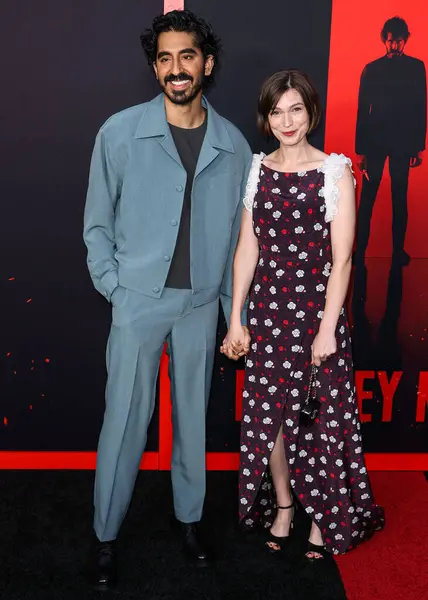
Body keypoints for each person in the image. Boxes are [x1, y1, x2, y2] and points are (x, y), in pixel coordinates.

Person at [83, 9, 252, 589]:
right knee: (124, 419)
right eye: (164, 58)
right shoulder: (119, 132)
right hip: (138, 300)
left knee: (192, 425)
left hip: (202, 304)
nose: (175, 69)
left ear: (206, 62)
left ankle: (189, 521)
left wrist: (234, 314)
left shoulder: (233, 144)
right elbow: (96, 223)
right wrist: (113, 285)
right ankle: (105, 534)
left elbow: (237, 240)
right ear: (154, 67)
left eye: (186, 56)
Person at [221, 70, 385, 559]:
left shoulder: (335, 170)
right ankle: (287, 506)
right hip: (268, 312)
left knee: (318, 418)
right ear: (266, 118)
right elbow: (247, 248)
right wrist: (236, 318)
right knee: (268, 419)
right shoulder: (258, 169)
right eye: (276, 111)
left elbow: (344, 258)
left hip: (317, 314)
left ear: (311, 111)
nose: (286, 121)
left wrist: (328, 329)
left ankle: (323, 514)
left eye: (295, 109)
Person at [354, 16, 426, 266]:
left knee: (399, 196)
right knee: (368, 198)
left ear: (406, 40)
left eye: (399, 42)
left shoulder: (417, 67)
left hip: (403, 142)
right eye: (390, 41)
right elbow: (363, 110)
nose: (394, 46)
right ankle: (359, 251)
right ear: (384, 40)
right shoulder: (371, 68)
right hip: (374, 141)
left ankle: (398, 251)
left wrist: (418, 146)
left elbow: (420, 108)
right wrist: (361, 151)